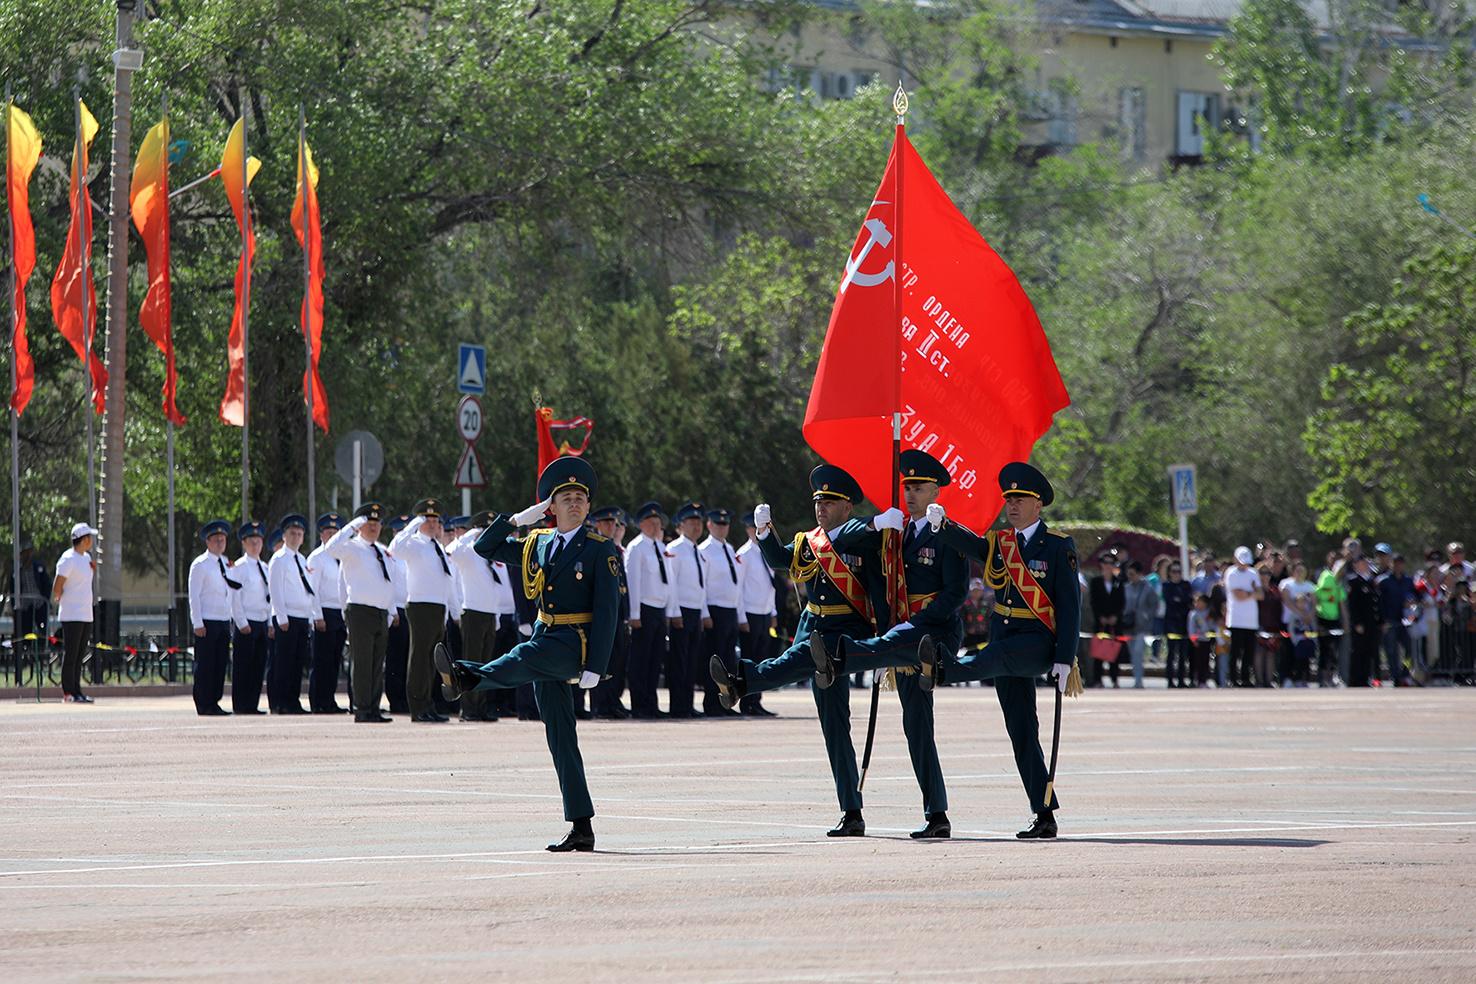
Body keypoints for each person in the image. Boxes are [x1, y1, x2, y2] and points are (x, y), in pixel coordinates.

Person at [439, 457, 620, 852]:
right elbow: (484, 546)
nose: (574, 503)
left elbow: (609, 612)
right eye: (565, 498)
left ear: (588, 507)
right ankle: (582, 826)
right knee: (560, 738)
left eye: (580, 498)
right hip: (546, 632)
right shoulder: (536, 543)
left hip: (574, 643)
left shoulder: (599, 550)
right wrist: (521, 518)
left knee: (524, 655)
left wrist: (597, 666)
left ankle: (468, 676)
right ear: (550, 508)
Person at [708, 464, 889, 837]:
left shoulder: (863, 540)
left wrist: (884, 647)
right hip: (813, 626)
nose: (821, 507)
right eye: (818, 501)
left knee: (796, 660)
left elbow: (878, 594)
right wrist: (763, 532)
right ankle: (851, 812)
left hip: (844, 632)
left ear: (847, 508)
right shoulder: (809, 541)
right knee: (834, 728)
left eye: (830, 501)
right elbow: (780, 559)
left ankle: (742, 681)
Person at [807, 448, 967, 839]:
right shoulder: (893, 534)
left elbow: (955, 594)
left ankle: (937, 814)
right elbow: (869, 575)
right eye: (906, 486)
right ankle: (855, 811)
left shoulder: (948, 533)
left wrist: (909, 628)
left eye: (919, 487)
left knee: (917, 724)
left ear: (936, 493)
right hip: (892, 636)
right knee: (897, 721)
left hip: (926, 638)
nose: (909, 494)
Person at [920, 461, 1081, 840]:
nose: (1012, 504)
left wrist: (1064, 657)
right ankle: (1044, 815)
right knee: (1022, 731)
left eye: (1020, 498)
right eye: (1008, 498)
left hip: (1038, 640)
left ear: (1038, 504)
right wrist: (944, 526)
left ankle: (946, 670)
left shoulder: (1058, 546)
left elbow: (1070, 606)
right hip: (1005, 634)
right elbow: (974, 546)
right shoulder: (1001, 542)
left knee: (993, 659)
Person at [389, 498, 461, 723]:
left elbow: (446, 581)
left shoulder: (436, 546)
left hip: (437, 607)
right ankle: (417, 707)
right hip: (421, 606)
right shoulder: (413, 543)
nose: (432, 524)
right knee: (419, 658)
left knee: (432, 661)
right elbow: (394, 548)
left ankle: (428, 705)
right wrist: (412, 524)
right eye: (427, 519)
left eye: (435, 520)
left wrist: (451, 610)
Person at [322, 502, 396, 722]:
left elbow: (389, 582)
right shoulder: (350, 547)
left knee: (376, 665)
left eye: (377, 524)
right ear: (360, 525)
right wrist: (351, 527)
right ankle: (362, 709)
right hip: (360, 611)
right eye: (368, 523)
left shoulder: (382, 551)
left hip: (381, 612)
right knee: (362, 663)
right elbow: (330, 547)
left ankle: (373, 707)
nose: (373, 527)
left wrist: (390, 611)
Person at [445, 510, 505, 722]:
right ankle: (468, 709)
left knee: (485, 665)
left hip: (489, 614)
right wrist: (472, 534)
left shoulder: (490, 554)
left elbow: (494, 588)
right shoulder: (468, 552)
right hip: (472, 613)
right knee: (471, 663)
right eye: (484, 529)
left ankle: (480, 708)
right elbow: (450, 549)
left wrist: (496, 615)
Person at [623, 501, 672, 720]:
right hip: (643, 609)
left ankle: (651, 703)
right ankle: (639, 705)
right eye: (650, 522)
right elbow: (632, 583)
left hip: (659, 608)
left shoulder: (661, 548)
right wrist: (634, 615)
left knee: (654, 660)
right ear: (641, 524)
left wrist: (669, 610)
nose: (655, 526)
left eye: (657, 522)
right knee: (641, 661)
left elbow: (667, 581)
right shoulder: (636, 547)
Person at [268, 513, 319, 714]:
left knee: (298, 663)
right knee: (284, 662)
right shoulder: (279, 559)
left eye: (299, 534)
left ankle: (293, 700)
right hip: (286, 617)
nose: (296, 537)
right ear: (284, 536)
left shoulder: (302, 559)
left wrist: (308, 616)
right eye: (292, 533)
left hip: (300, 617)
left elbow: (305, 590)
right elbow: (276, 590)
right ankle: (282, 702)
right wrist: (281, 617)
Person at [187, 519, 237, 716]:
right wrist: (197, 622)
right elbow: (194, 596)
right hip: (207, 621)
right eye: (216, 539)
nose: (220, 543)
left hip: (223, 620)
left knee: (220, 663)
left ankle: (214, 701)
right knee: (206, 664)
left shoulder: (227, 563)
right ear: (207, 542)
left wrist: (231, 617)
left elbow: (230, 592)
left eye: (222, 539)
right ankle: (204, 702)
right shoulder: (200, 565)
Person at [698, 507, 745, 717]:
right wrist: (704, 612)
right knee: (714, 661)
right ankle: (712, 703)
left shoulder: (729, 548)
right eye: (717, 523)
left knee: (727, 662)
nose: (722, 527)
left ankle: (726, 703)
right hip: (714, 610)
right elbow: (702, 585)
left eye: (725, 524)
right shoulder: (704, 550)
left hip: (730, 610)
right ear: (709, 525)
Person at [664, 501, 710, 718]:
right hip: (680, 611)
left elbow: (701, 587)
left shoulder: (698, 552)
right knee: (679, 661)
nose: (696, 526)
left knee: (692, 661)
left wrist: (703, 614)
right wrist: (674, 613)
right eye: (691, 522)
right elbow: (671, 584)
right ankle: (678, 706)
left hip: (694, 612)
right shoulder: (674, 549)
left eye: (698, 522)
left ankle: (688, 704)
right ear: (681, 525)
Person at [589, 506, 631, 720]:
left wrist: (626, 615)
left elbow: (622, 586)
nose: (610, 526)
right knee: (602, 662)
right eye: (605, 523)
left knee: (616, 661)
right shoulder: (594, 547)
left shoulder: (614, 549)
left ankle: (612, 701)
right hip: (601, 615)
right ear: (596, 524)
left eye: (613, 523)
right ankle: (601, 705)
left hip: (616, 614)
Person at [734, 512, 778, 717]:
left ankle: (757, 700)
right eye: (753, 528)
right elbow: (739, 589)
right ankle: (746, 702)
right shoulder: (743, 554)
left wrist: (773, 612)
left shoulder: (766, 551)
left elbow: (771, 586)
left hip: (763, 613)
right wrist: (741, 618)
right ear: (747, 530)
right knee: (749, 660)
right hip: (750, 614)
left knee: (762, 660)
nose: (756, 531)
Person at [306, 513, 348, 714]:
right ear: (321, 535)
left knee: (334, 661)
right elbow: (312, 590)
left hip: (340, 614)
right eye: (328, 532)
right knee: (321, 661)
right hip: (324, 613)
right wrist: (317, 616)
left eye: (335, 532)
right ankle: (318, 701)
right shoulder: (317, 557)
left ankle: (329, 700)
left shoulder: (342, 557)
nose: (332, 536)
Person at [229, 521, 273, 714]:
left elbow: (270, 597)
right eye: (251, 542)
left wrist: (270, 622)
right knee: (243, 666)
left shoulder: (264, 567)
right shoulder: (239, 567)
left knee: (258, 666)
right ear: (244, 544)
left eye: (258, 541)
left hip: (262, 621)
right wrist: (241, 622)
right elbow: (234, 597)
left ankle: (252, 704)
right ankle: (241, 705)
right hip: (247, 622)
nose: (255, 545)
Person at [51, 522, 97, 703]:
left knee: (79, 656)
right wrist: (61, 597)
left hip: (86, 614)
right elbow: (57, 586)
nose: (92, 540)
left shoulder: (86, 558)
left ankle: (77, 690)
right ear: (85, 539)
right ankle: (68, 692)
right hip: (72, 614)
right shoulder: (68, 558)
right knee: (71, 654)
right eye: (90, 537)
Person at [383, 514, 412, 713]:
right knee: (396, 658)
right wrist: (392, 611)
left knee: (408, 658)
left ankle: (407, 697)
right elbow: (388, 586)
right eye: (398, 532)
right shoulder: (390, 556)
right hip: (397, 612)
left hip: (412, 610)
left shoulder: (411, 556)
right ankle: (396, 699)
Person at [1223, 546, 1263, 688]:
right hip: (1236, 619)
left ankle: (1246, 678)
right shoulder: (1231, 573)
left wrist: (1248, 593)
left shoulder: (1253, 573)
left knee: (1249, 652)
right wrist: (1252, 592)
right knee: (1235, 651)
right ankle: (1233, 678)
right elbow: (1238, 595)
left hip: (1251, 620)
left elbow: (1261, 594)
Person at [1376, 552, 1415, 685]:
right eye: (1395, 563)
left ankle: (1405, 672)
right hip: (1390, 620)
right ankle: (1395, 677)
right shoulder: (1384, 581)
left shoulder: (1408, 581)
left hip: (1405, 620)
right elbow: (1379, 603)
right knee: (1391, 650)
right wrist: (1382, 620)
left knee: (1410, 648)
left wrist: (1411, 601)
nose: (1397, 566)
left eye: (1400, 563)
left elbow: (1415, 596)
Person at [1087, 552, 1124, 687]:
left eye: (1111, 563)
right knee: (1098, 651)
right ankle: (1098, 680)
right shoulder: (1096, 581)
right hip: (1100, 621)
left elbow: (1121, 602)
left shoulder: (1118, 582)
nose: (1108, 566)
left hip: (1115, 622)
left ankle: (1115, 680)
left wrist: (1115, 616)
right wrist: (1100, 617)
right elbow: (1093, 601)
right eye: (1105, 563)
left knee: (1115, 651)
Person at [4, 538, 50, 643]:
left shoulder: (38, 567)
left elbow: (47, 584)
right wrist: (14, 603)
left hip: (38, 603)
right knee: (25, 630)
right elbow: (13, 588)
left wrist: (44, 599)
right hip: (25, 604)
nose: (27, 555)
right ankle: (26, 651)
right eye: (25, 552)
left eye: (29, 551)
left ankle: (42, 651)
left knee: (42, 629)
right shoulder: (18, 570)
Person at [1279, 561, 1317, 687]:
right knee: (1288, 651)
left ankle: (1301, 678)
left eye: (1302, 570)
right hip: (1290, 623)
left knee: (1304, 651)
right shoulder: (1287, 584)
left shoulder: (1309, 586)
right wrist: (1300, 614)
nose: (1300, 573)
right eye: (1297, 570)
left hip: (1305, 624)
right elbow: (1287, 601)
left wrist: (1309, 615)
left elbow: (1313, 603)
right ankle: (1287, 678)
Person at [1121, 560, 1157, 688]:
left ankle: (1139, 681)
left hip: (1142, 627)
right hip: (1129, 627)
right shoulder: (1126, 587)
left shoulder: (1148, 588)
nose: (1131, 576)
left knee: (1138, 652)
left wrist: (1146, 615)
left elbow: (1154, 604)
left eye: (1133, 573)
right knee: (1132, 654)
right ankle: (1137, 678)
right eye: (1129, 574)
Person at [1345, 553, 1379, 686]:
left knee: (1369, 651)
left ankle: (1366, 678)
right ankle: (1356, 680)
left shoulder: (1371, 582)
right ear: (1355, 565)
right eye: (1362, 562)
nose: (1366, 565)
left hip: (1371, 622)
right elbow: (1352, 605)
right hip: (1360, 623)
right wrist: (1356, 622)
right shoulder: (1354, 582)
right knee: (1358, 651)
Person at [1161, 559, 1193, 687]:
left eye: (1179, 571)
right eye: (1174, 571)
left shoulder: (1186, 584)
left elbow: (1189, 599)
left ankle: (1181, 679)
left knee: (1183, 653)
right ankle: (1170, 680)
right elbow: (1170, 601)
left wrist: (1181, 600)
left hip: (1183, 621)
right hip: (1171, 621)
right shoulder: (1166, 586)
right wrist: (1181, 601)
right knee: (1172, 652)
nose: (1176, 574)